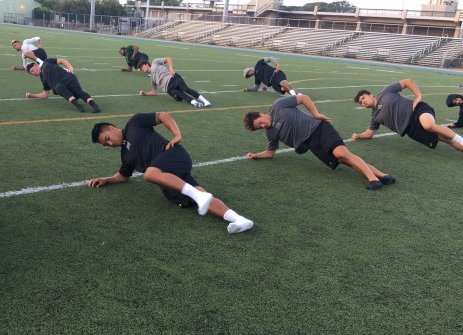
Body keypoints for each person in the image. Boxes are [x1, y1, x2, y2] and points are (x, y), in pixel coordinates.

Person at [88, 112, 253, 233]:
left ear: (112, 128)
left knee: (149, 174)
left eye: (107, 139)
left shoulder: (134, 123)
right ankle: (239, 219)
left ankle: (200, 197)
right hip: (170, 178)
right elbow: (123, 176)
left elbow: (163, 116)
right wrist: (107, 179)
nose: (109, 144)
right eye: (105, 145)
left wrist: (177, 135)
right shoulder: (125, 156)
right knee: (201, 195)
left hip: (174, 156)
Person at [243, 94, 396, 190]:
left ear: (261, 114)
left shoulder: (278, 106)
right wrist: (256, 155)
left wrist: (315, 114)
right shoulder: (271, 133)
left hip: (319, 129)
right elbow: (271, 152)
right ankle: (383, 176)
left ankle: (373, 180)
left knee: (341, 153)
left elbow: (303, 98)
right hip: (312, 145)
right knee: (345, 159)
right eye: (259, 128)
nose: (263, 126)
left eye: (260, 123)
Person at [352, 79, 463, 153]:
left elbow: (407, 82)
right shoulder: (374, 117)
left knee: (428, 125)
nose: (363, 102)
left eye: (363, 98)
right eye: (361, 103)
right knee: (447, 140)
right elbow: (370, 133)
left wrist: (418, 96)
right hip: (411, 130)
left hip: (417, 111)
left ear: (371, 95)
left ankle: (460, 139)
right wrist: (359, 135)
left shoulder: (385, 92)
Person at [25, 58, 101, 113]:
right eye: (31, 73)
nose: (33, 73)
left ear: (35, 65)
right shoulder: (43, 79)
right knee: (58, 87)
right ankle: (79, 106)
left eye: (32, 71)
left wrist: (70, 67)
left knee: (78, 91)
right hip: (60, 85)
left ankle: (95, 106)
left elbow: (62, 60)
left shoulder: (46, 62)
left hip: (68, 77)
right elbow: (45, 94)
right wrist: (32, 95)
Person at [138, 57, 211, 108]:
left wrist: (170, 68)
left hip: (173, 78)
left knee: (185, 89)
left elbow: (168, 58)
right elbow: (154, 92)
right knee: (180, 95)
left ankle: (205, 101)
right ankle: (195, 103)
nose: (141, 69)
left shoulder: (155, 62)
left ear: (147, 64)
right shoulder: (152, 79)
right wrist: (144, 93)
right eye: (140, 69)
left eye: (142, 67)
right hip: (169, 89)